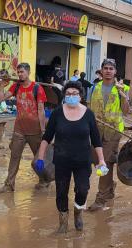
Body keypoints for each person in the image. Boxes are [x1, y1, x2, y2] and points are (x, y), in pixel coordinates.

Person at [36, 81, 106, 233]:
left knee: (83, 189)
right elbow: (47, 137)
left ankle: (78, 212)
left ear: (80, 96)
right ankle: (63, 222)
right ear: (64, 96)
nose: (71, 96)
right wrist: (40, 158)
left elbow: (96, 140)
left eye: (75, 94)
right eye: (68, 94)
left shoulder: (88, 114)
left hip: (83, 161)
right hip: (61, 160)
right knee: (61, 191)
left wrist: (101, 160)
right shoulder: (57, 113)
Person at [0, 63, 50, 192]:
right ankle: (9, 185)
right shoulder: (16, 86)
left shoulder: (37, 88)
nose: (19, 74)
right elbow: (0, 99)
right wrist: (2, 85)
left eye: (22, 72)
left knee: (39, 158)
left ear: (28, 72)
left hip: (35, 130)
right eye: (18, 72)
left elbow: (41, 110)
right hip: (19, 129)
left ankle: (44, 181)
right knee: (14, 157)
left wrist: (43, 130)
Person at [86, 58, 131, 212]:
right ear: (101, 70)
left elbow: (126, 111)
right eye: (105, 68)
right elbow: (88, 110)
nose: (108, 71)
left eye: (111, 69)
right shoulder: (93, 88)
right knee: (100, 161)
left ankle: (101, 198)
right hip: (96, 131)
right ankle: (110, 188)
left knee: (102, 163)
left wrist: (122, 95)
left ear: (115, 72)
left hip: (113, 132)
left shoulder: (123, 88)